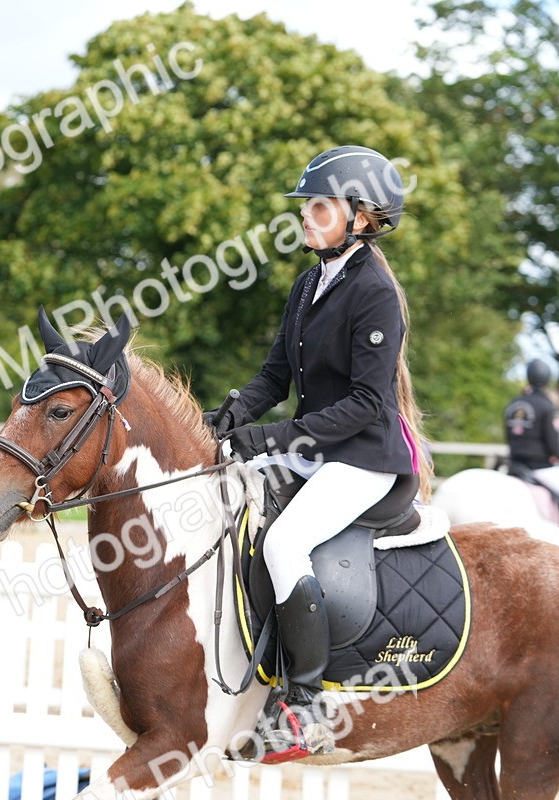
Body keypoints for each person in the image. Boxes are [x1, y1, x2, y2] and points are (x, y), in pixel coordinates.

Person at [202, 145, 432, 763]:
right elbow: (275, 375)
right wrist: (231, 416)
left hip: (363, 459)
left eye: (319, 204)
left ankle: (303, 706)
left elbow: (367, 404)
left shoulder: (375, 292)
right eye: (307, 203)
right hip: (317, 451)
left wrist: (273, 439)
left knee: (284, 542)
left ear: (361, 216)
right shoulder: (310, 282)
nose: (306, 214)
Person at [504, 359, 559, 528]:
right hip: (538, 466)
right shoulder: (546, 405)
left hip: (515, 463)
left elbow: (508, 435)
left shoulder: (513, 404)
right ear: (547, 378)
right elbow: (551, 440)